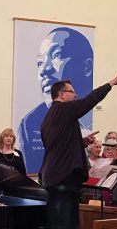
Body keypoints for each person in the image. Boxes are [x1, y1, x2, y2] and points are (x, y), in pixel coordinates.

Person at [40, 69, 117, 229]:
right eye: (72, 92)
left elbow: (59, 146)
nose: (76, 95)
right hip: (63, 178)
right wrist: (111, 83)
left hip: (55, 177)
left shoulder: (51, 115)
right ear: (61, 95)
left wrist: (82, 142)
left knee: (59, 222)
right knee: (66, 224)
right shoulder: (63, 109)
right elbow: (90, 100)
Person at [18, 26, 94, 173]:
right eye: (40, 62)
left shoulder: (84, 112)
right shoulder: (29, 123)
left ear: (87, 67)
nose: (44, 69)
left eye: (56, 55)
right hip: (59, 182)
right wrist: (111, 83)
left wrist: (81, 143)